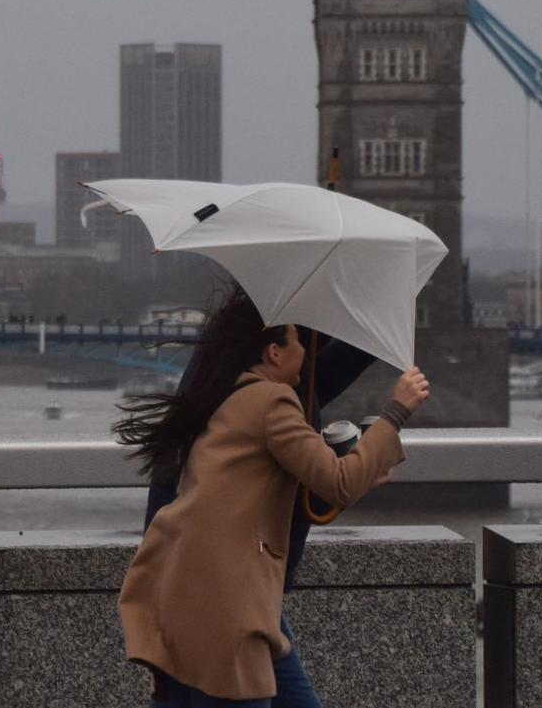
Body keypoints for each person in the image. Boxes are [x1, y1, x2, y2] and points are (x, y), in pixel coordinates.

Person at [114, 286, 429, 707]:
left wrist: (361, 468)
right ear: (274, 352)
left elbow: (268, 474)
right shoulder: (270, 399)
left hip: (192, 590)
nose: (305, 344)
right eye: (298, 337)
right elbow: (337, 483)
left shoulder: (225, 387)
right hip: (226, 600)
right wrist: (396, 410)